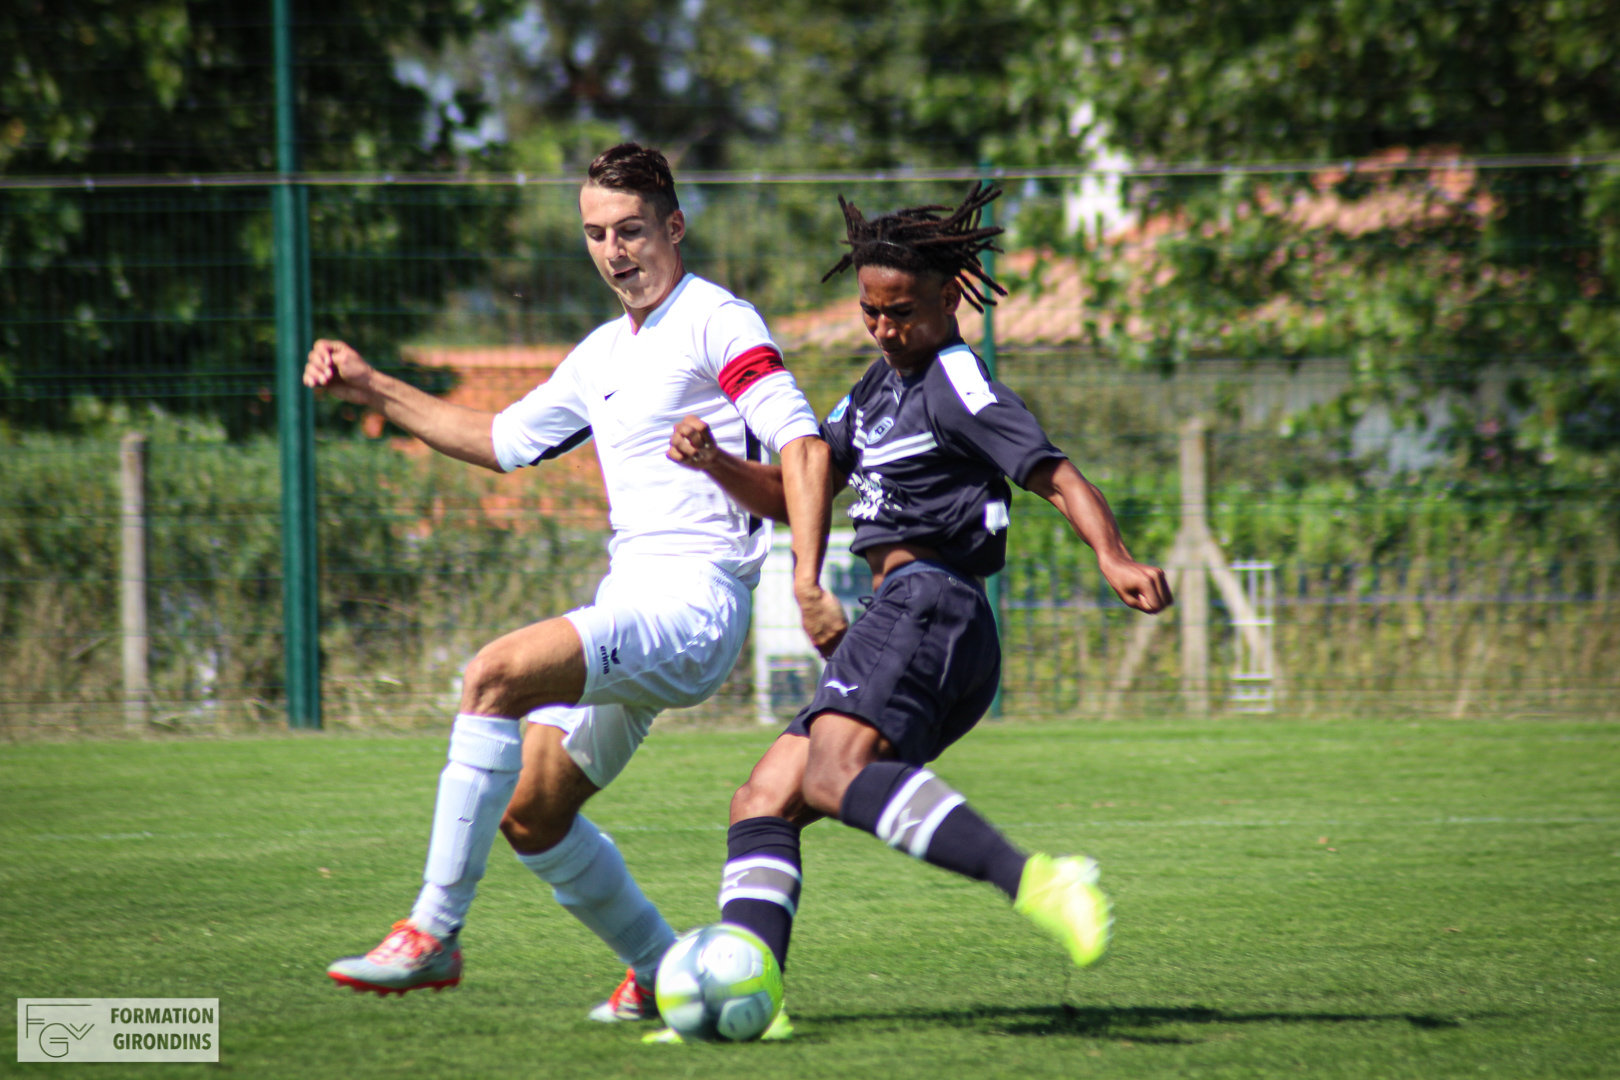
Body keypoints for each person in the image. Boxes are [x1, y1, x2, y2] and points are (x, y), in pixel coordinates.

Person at [307, 143, 846, 1022]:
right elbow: (496, 440)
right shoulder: (601, 355)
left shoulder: (720, 320)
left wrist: (809, 576)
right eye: (596, 234)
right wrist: (371, 384)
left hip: (694, 604)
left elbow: (805, 447)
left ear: (674, 226)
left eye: (632, 230)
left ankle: (433, 933)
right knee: (532, 814)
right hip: (629, 604)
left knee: (494, 673)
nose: (614, 251)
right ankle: (663, 970)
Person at [660, 182, 1173, 1040]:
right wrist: (714, 461)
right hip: (902, 612)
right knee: (765, 795)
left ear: (946, 298)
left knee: (829, 777)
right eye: (870, 311)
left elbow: (1052, 471)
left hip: (931, 603)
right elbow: (802, 488)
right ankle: (753, 1001)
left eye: (900, 312)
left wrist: (1111, 554)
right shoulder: (869, 393)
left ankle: (1043, 882)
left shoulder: (955, 381)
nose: (884, 328)